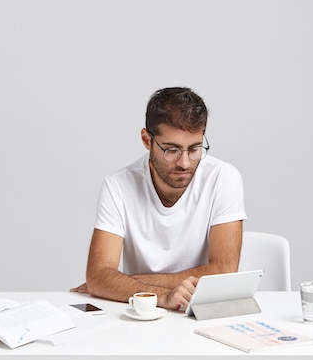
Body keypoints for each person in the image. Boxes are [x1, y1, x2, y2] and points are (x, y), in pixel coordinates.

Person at [71, 87, 247, 311]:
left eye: (194, 149)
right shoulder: (118, 186)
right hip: (144, 315)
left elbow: (223, 272)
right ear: (147, 140)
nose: (184, 162)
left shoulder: (223, 178)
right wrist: (163, 296)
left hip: (204, 311)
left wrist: (127, 281)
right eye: (171, 150)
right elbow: (98, 276)